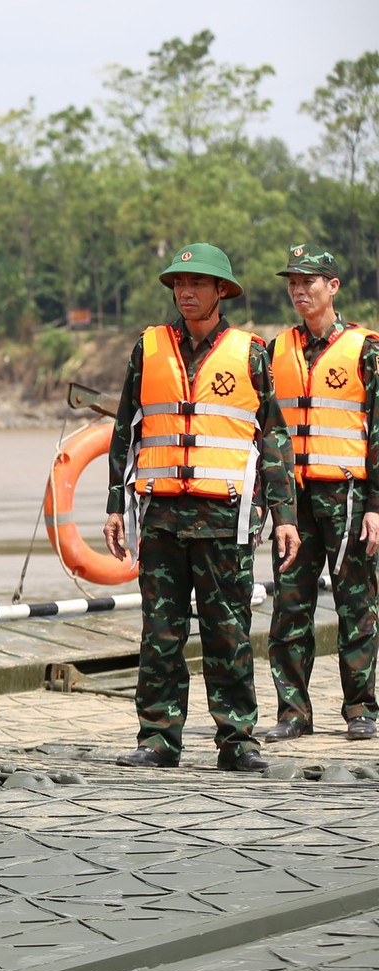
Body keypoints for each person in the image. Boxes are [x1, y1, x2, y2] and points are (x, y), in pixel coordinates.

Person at [103, 243, 299, 771]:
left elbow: (274, 442)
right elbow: (125, 430)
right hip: (162, 518)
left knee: (228, 634)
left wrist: (286, 518)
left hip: (225, 523)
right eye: (178, 284)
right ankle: (158, 739)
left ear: (221, 291)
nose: (185, 292)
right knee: (159, 636)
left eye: (197, 283)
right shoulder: (148, 349)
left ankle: (237, 741)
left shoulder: (252, 353)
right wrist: (115, 507)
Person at [263, 245, 379, 741]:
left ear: (332, 286)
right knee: (291, 605)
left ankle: (360, 710)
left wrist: (376, 505)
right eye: (292, 281)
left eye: (309, 281)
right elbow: (266, 433)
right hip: (293, 502)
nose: (298, 290)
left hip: (348, 497)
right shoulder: (272, 351)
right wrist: (273, 504)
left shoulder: (367, 349)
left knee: (357, 603)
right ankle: (293, 712)